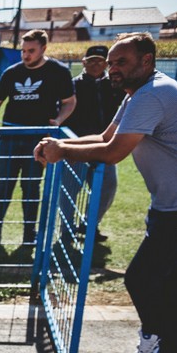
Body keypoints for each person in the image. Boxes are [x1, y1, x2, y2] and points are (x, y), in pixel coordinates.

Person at [35, 33, 177, 353]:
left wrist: (63, 152)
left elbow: (114, 152)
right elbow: (104, 137)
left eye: (121, 62)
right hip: (168, 204)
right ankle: (165, 349)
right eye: (112, 63)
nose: (113, 69)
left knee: (142, 279)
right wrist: (59, 143)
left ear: (147, 60)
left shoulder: (153, 94)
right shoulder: (138, 93)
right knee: (163, 282)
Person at [0, 29, 76, 247]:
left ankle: (29, 234)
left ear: (44, 48)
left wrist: (59, 119)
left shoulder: (58, 72)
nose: (26, 55)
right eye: (23, 51)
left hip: (39, 140)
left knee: (31, 187)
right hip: (9, 138)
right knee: (4, 185)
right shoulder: (12, 72)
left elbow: (70, 101)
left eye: (31, 51)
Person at [61, 45, 125, 240]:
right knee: (69, 190)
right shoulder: (72, 86)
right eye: (91, 60)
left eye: (100, 60)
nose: (96, 64)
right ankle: (66, 229)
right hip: (77, 145)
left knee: (106, 188)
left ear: (107, 63)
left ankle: (90, 225)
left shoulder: (116, 86)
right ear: (84, 62)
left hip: (105, 146)